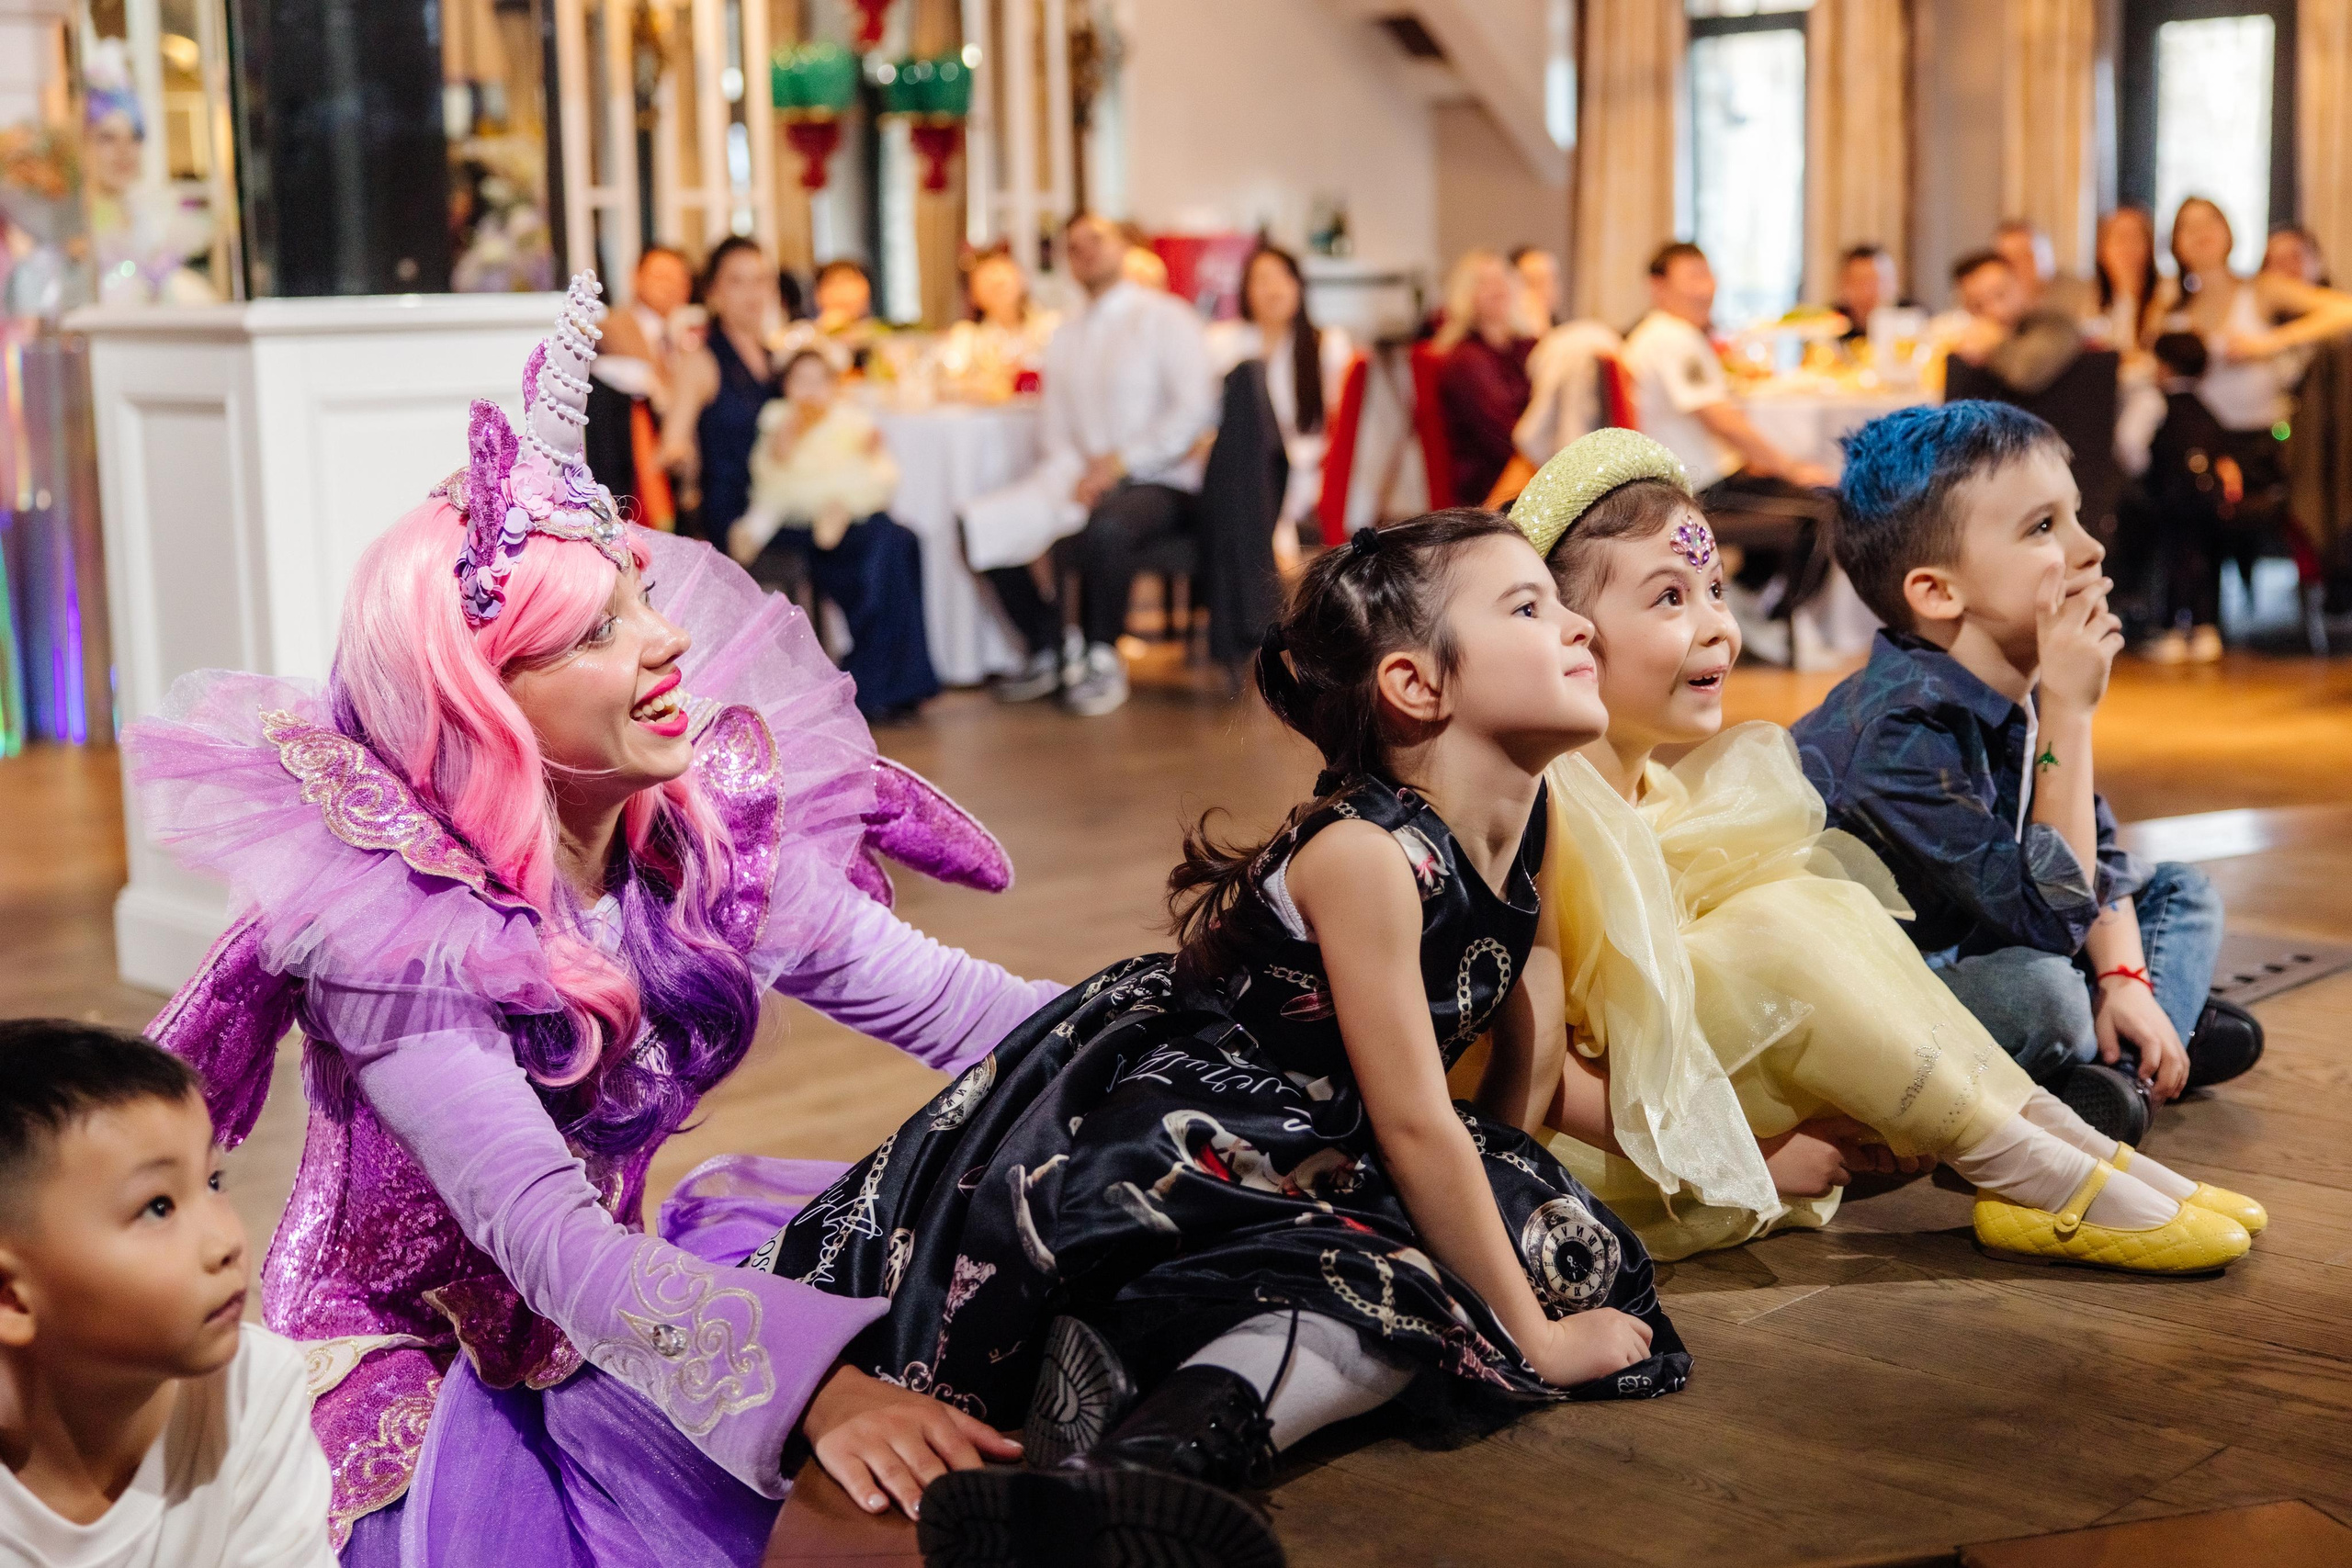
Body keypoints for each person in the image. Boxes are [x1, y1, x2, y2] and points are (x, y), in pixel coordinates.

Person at [122, 275, 1059, 1566]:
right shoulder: (402, 935)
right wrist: (810, 1392)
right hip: (418, 1365)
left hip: (601, 1309)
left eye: (642, 596)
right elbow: (547, 1241)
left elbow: (956, 1005)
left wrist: (1174, 1030)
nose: (669, 641)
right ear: (485, 703)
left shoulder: (691, 840)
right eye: (602, 630)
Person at [752, 514, 1690, 1566]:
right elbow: (1415, 1120)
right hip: (1203, 1131)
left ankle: (1142, 1458)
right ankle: (1129, 1413)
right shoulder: (1366, 857)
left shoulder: (1535, 818)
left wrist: (1510, 1187)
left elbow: (1516, 1011)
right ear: (1416, 687)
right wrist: (1534, 1338)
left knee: (1538, 1258)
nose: (1576, 627)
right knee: (1418, 1298)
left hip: (1325, 1138)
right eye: (1529, 607)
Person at [1480, 430, 2260, 1275]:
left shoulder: (1658, 793)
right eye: (1670, 599)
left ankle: (2070, 1149)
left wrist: (2123, 972)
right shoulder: (1541, 813)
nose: (1717, 626)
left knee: (2160, 895)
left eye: (1715, 589)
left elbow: (2088, 870)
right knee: (1822, 922)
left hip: (1722, 1087)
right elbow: (1530, 1069)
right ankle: (2045, 1162)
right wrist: (1755, 1157)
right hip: (1622, 1157)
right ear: (1569, 637)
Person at [1790, 402, 2266, 1151]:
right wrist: (2070, 717)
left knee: (2183, 890)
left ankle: (2123, 1054)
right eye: (2044, 528)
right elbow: (2053, 915)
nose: (2088, 550)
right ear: (1937, 591)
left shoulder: (2009, 682)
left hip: (2002, 921)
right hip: (1898, 994)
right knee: (2044, 994)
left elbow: (2097, 858)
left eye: (2076, 515)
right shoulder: (1898, 732)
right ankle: (2142, 1048)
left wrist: (2125, 979)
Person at [0, 1021, 336, 1568]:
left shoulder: (253, 1392)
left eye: (213, 1182)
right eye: (158, 1207)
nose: (227, 1242)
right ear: (10, 1298)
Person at [962, 213, 1215, 717]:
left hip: (1161, 481)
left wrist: (1120, 463)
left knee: (1107, 529)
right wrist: (1072, 476)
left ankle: (1101, 654)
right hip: (1082, 478)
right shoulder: (1066, 334)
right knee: (981, 520)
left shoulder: (1166, 317)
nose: (1085, 251)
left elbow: (1194, 409)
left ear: (1124, 245)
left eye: (1096, 239)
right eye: (1073, 246)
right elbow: (1055, 428)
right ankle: (1048, 648)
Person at [1620, 242, 1835, 630]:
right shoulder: (1672, 338)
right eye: (1693, 278)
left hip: (1700, 473)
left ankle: (1747, 601)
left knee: (1789, 495)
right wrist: (1792, 469)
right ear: (1658, 287)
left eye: (1708, 275)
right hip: (1696, 484)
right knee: (1823, 508)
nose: (1705, 289)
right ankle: (1772, 622)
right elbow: (1719, 419)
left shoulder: (1662, 334)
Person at [733, 348, 940, 721]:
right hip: (803, 516)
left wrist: (867, 458)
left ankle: (902, 679)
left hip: (852, 508)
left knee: (904, 541)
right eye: (802, 381)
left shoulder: (847, 419)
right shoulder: (780, 419)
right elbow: (773, 471)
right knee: (882, 548)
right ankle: (877, 681)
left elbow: (873, 465)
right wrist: (795, 429)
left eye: (819, 381)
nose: (812, 391)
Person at [1206, 244, 1353, 556]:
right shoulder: (1222, 343)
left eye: (1283, 278)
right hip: (1243, 468)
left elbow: (1341, 420)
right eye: (1262, 279)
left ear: (1298, 286)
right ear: (1245, 290)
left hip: (1308, 467)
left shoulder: (1326, 344)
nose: (1273, 289)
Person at [662, 235, 787, 548]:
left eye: (760, 281)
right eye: (737, 282)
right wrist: (684, 458)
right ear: (713, 293)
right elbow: (673, 442)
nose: (752, 293)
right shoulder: (702, 361)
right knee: (881, 541)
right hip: (736, 514)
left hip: (779, 498)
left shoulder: (773, 359)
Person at [1430, 249, 1536, 507]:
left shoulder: (1525, 346)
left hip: (1527, 466)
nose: (1499, 290)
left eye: (1503, 280)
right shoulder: (1466, 359)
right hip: (1491, 485)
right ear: (1466, 295)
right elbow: (1503, 437)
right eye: (1486, 283)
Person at [1946, 250, 2084, 396]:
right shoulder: (1969, 341)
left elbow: (2027, 371)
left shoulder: (2055, 325)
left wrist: (1994, 345)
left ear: (2020, 283)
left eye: (2000, 294)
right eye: (1977, 305)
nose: (1993, 310)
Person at [936, 248, 1057, 401]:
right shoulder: (969, 338)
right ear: (974, 295)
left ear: (1022, 279)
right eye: (986, 279)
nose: (996, 282)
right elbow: (951, 384)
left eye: (1002, 276)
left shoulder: (1052, 326)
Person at [1992, 219, 2096, 321]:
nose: (2019, 265)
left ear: (2048, 253)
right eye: (2009, 259)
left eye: (2026, 255)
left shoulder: (2083, 291)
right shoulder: (1999, 301)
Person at [2088, 209, 2160, 355]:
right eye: (2120, 238)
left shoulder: (2167, 302)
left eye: (2135, 238)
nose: (2128, 247)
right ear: (2101, 250)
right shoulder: (2089, 306)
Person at [1830, 243, 1901, 343]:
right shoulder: (1828, 324)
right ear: (1843, 285)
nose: (1871, 291)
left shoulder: (1914, 320)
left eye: (1880, 281)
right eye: (1861, 282)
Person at [1511, 244, 1564, 332]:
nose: (1547, 290)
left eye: (1552, 280)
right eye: (1535, 283)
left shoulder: (1564, 333)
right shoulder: (1512, 339)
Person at [2262, 225, 2329, 287]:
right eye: (2280, 262)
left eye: (2295, 258)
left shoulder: (2334, 297)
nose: (2289, 267)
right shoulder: (2257, 296)